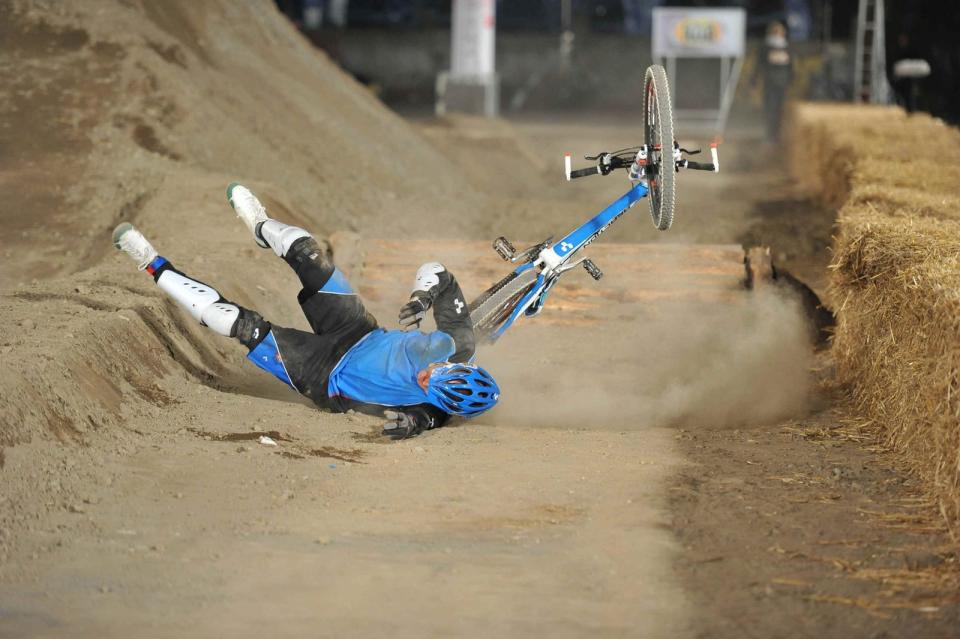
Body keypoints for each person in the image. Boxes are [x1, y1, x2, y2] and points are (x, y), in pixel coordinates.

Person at [112, 183, 500, 439]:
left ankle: (150, 261)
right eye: (437, 373)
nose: (425, 376)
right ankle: (262, 225)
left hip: (323, 375)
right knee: (310, 255)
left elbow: (421, 421)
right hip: (360, 331)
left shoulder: (433, 410)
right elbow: (439, 272)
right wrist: (422, 298)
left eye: (429, 386)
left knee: (238, 324)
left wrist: (410, 423)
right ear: (457, 365)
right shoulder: (458, 342)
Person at [752, 20, 794, 142]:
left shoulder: (787, 46)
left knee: (780, 109)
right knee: (770, 108)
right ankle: (770, 134)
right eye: (775, 31)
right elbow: (759, 65)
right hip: (770, 82)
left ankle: (777, 134)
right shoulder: (765, 47)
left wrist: (791, 78)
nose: (778, 34)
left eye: (779, 31)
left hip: (782, 83)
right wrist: (754, 79)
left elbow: (791, 66)